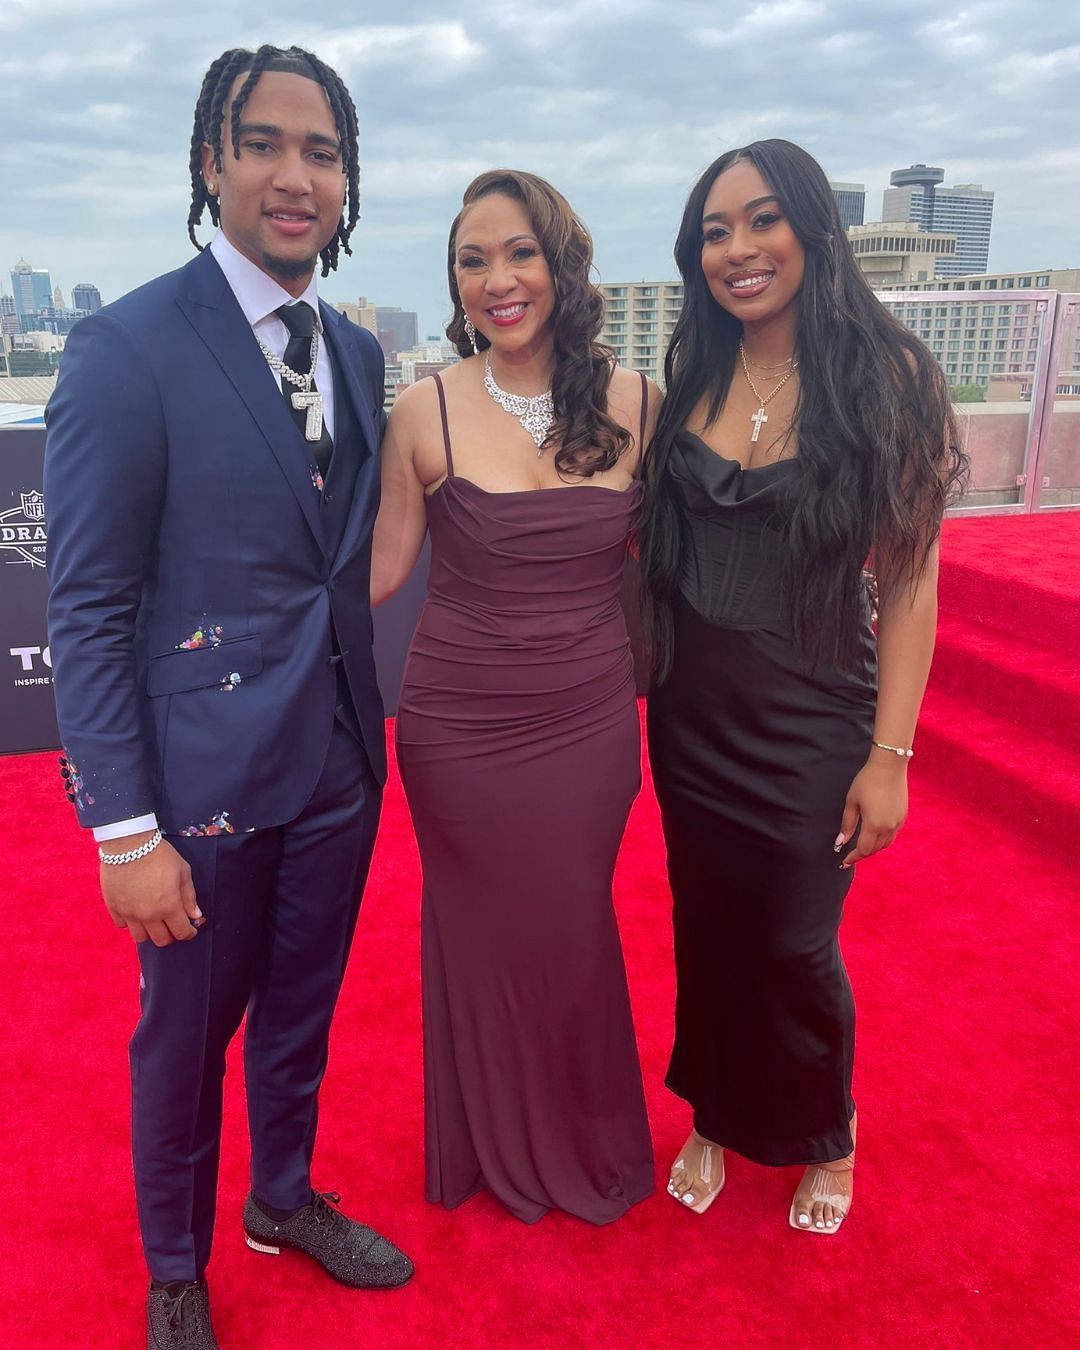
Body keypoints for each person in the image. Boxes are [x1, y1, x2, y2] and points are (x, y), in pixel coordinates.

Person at [45, 44, 412, 1350]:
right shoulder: (126, 346)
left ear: (349, 179)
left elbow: (347, 559)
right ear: (213, 161)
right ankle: (176, 1266)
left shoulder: (359, 357)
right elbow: (85, 606)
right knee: (186, 1036)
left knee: (303, 1010)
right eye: (264, 143)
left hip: (336, 764)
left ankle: (285, 1195)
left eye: (323, 151)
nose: (295, 174)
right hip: (198, 782)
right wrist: (124, 831)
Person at [639, 140, 966, 1234]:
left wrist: (891, 757)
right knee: (710, 927)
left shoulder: (888, 375)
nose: (737, 249)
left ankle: (830, 1131)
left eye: (762, 220)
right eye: (715, 231)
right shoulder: (694, 367)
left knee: (792, 940)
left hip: (814, 717)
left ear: (814, 231)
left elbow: (911, 584)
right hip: (692, 717)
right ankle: (716, 1115)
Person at [371, 170, 658, 1224]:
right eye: (472, 259)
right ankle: (492, 1139)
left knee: (573, 923)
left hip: (587, 721)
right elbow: (378, 570)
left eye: (519, 252)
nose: (498, 279)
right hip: (457, 727)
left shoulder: (638, 401)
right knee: (484, 930)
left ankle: (574, 1128)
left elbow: (684, 560)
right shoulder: (424, 406)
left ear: (561, 264)